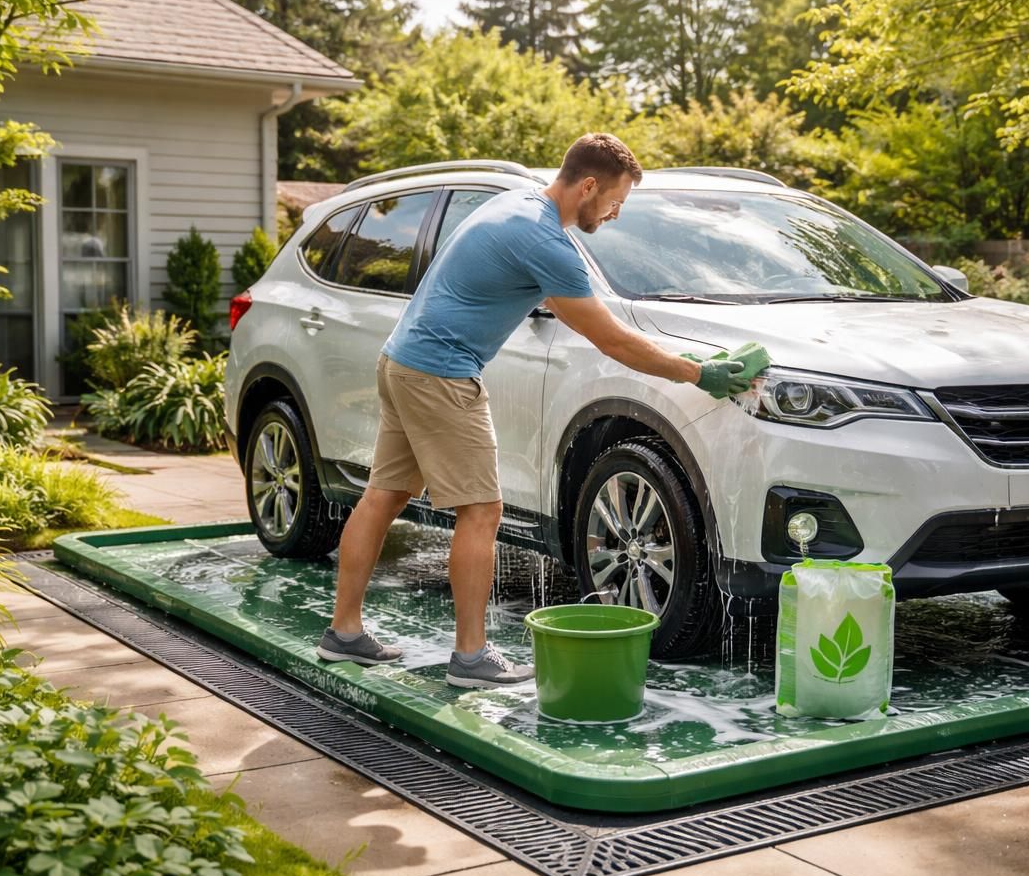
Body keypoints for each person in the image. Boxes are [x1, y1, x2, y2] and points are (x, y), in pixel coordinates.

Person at [317, 133, 752, 687]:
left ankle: (344, 632)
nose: (616, 215)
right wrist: (699, 373)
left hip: (401, 360)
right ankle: (471, 658)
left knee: (384, 495)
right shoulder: (547, 243)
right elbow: (613, 341)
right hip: (442, 374)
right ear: (588, 186)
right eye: (616, 201)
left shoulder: (517, 202)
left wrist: (679, 353)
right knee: (482, 511)